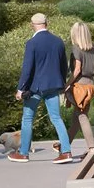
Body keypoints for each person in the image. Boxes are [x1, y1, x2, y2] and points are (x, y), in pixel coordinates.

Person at [12, 12, 76, 163]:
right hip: (53, 86)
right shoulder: (58, 41)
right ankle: (66, 152)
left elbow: (27, 69)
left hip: (35, 88)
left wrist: (20, 89)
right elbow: (63, 66)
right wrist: (61, 83)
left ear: (32, 25)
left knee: (27, 119)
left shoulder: (32, 43)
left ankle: (23, 153)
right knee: (56, 118)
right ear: (47, 23)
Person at [65, 18, 94, 156]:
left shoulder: (76, 48)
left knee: (82, 116)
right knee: (77, 116)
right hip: (90, 84)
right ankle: (64, 145)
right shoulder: (93, 48)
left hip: (79, 85)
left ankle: (91, 148)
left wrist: (67, 85)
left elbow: (77, 69)